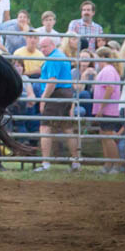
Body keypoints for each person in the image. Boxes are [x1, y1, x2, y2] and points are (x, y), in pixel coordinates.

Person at [35, 37, 79, 172]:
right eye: (41, 47)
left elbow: (52, 81)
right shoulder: (61, 56)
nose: (42, 50)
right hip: (66, 93)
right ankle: (76, 162)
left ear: (53, 45)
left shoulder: (53, 58)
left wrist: (43, 99)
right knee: (67, 128)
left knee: (45, 128)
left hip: (56, 94)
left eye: (45, 46)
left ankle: (45, 163)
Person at [93, 47, 122, 174]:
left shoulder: (108, 70)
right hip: (106, 109)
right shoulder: (108, 70)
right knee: (104, 136)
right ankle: (108, 163)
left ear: (103, 58)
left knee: (108, 136)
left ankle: (116, 164)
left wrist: (102, 107)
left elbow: (110, 89)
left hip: (108, 109)